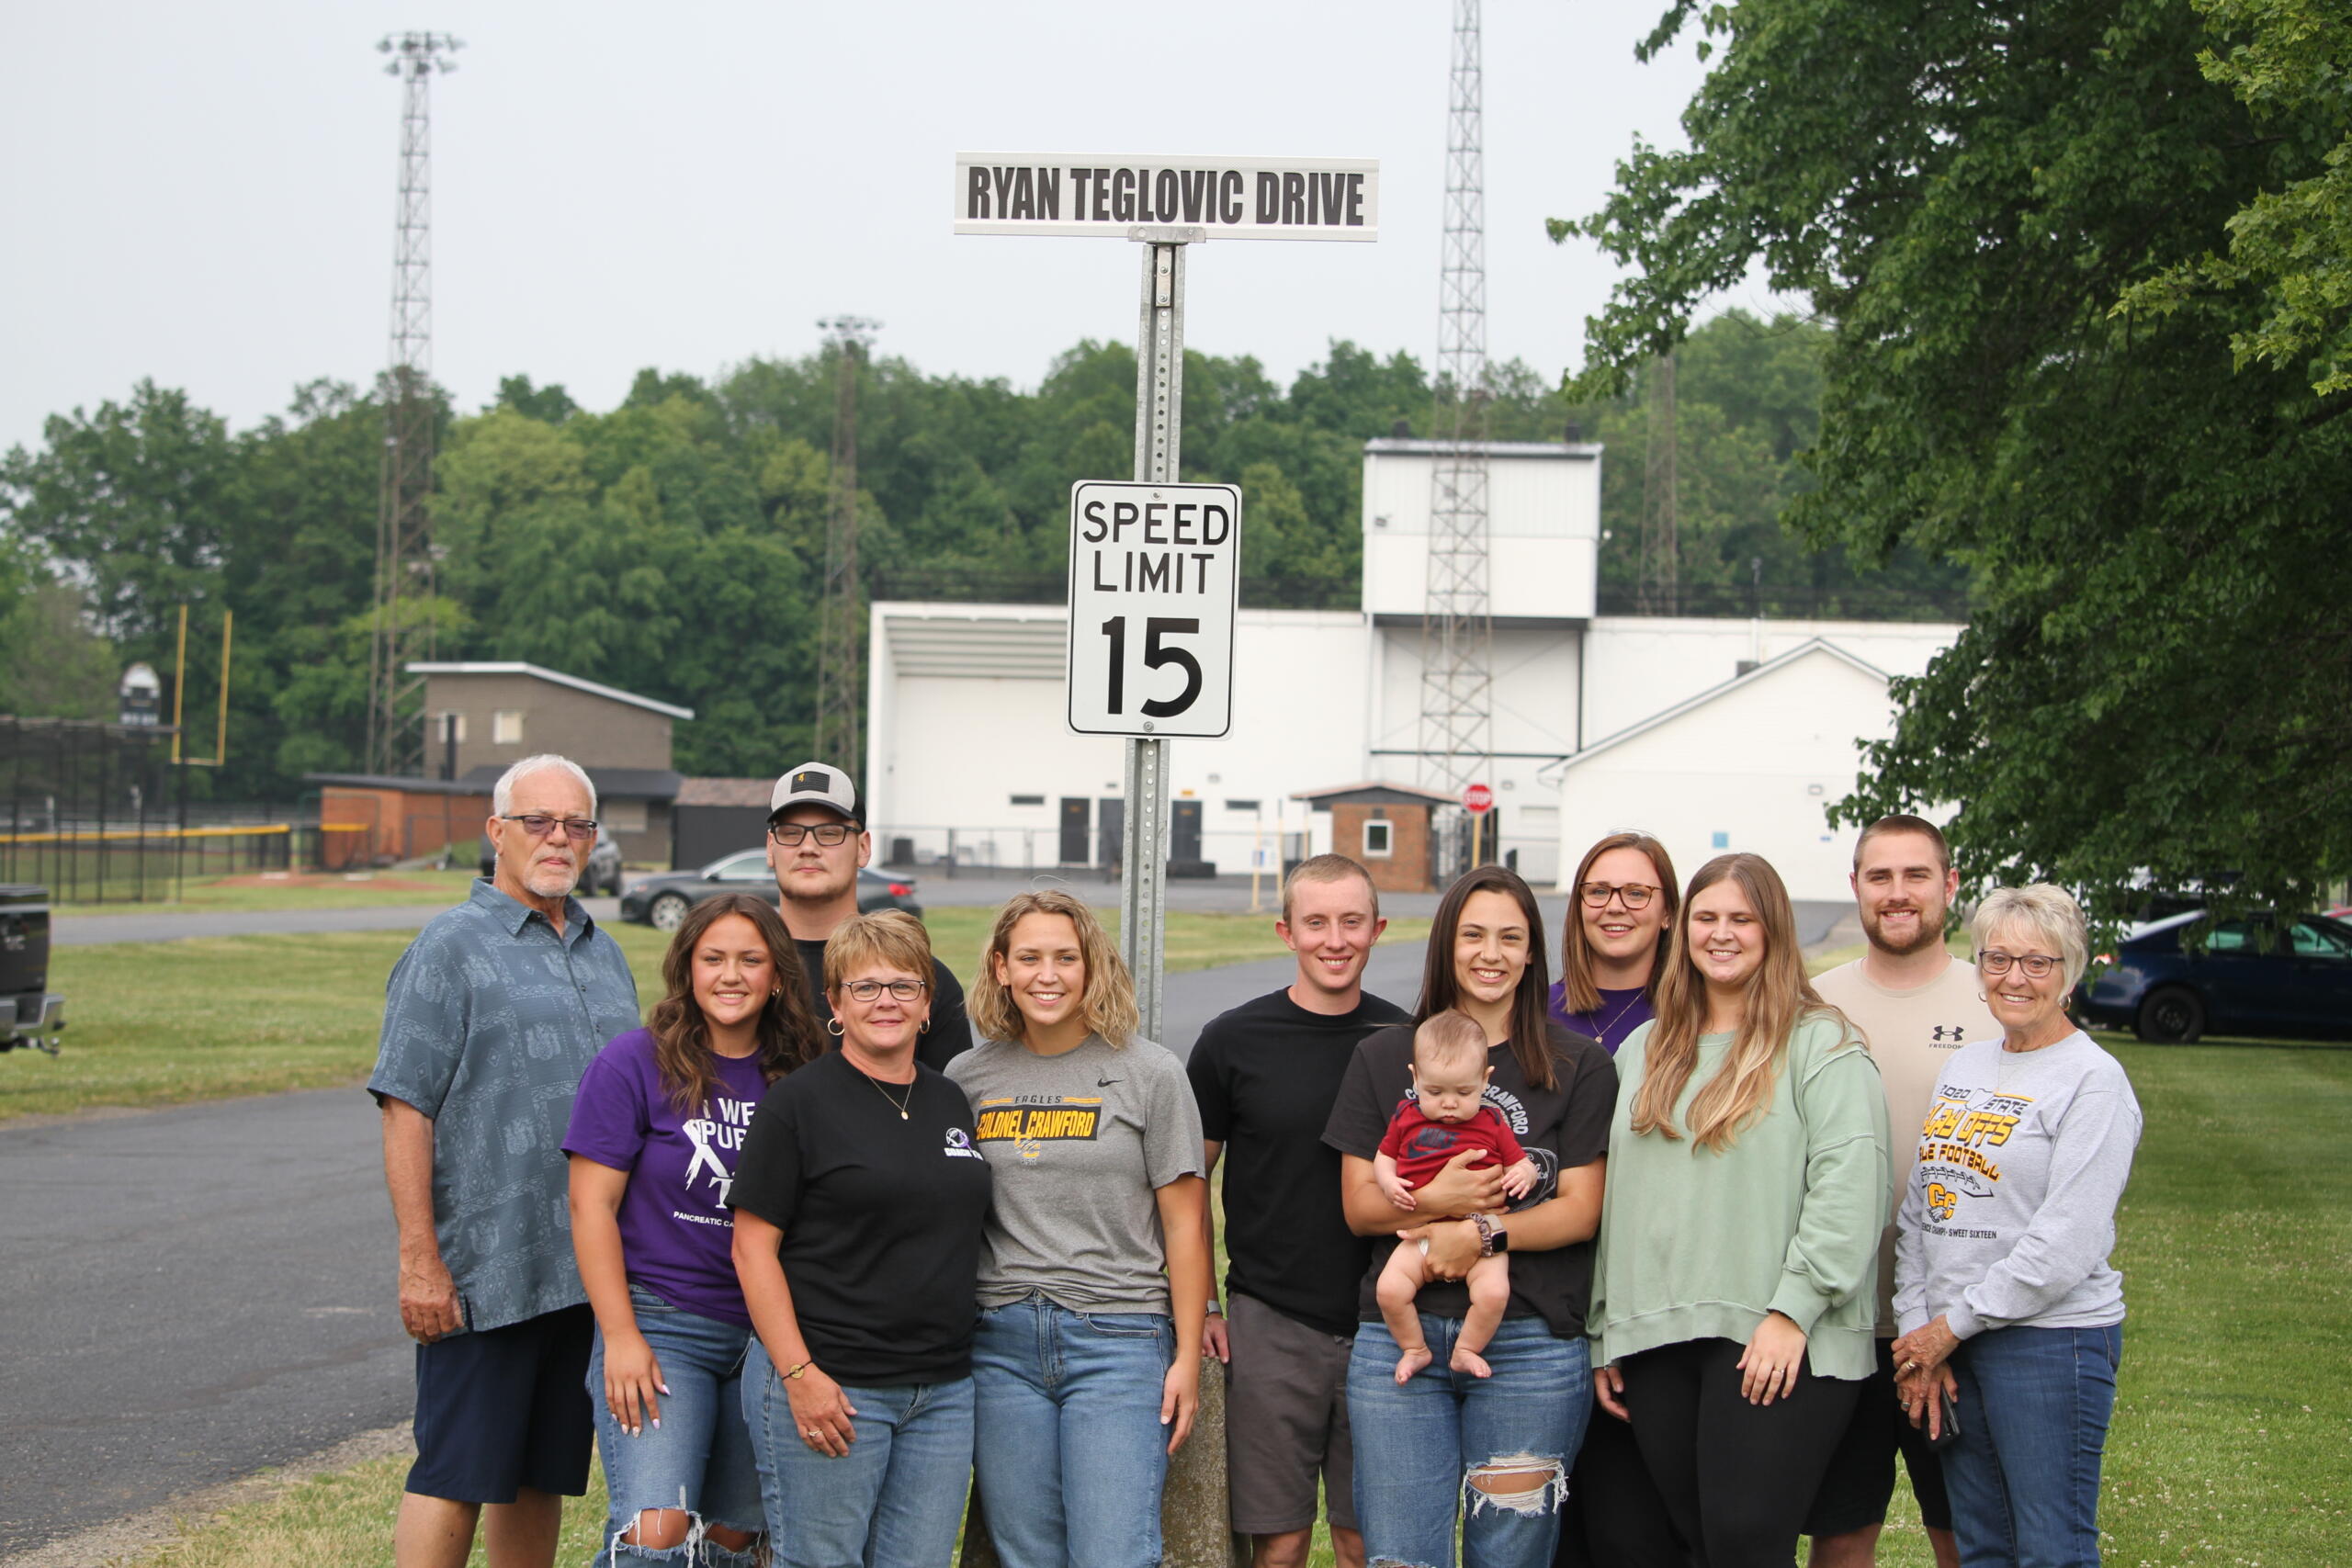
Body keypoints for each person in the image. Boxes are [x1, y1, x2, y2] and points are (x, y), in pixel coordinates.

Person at [369, 754, 642, 1568]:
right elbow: (404, 1104)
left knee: (541, 1475)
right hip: (485, 1271)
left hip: (583, 1272)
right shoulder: (448, 947)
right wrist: (421, 1259)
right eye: (538, 821)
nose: (558, 838)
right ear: (497, 832)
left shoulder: (604, 952)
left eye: (576, 824)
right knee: (456, 1467)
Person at [1589, 852, 1890, 1568]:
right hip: (1658, 1332)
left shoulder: (1824, 1044)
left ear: (1773, 930)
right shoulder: (1645, 1048)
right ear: (1683, 929)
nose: (1721, 933)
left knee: (1745, 1544)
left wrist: (1793, 1312)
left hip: (1778, 1336)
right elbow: (1618, 1198)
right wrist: (1607, 1325)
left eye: (1741, 918)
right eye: (1707, 917)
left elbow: (1852, 1186)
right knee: (1698, 1543)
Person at [1324, 864, 1616, 1568]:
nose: (1491, 953)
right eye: (1474, 934)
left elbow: (1580, 1210)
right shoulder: (1384, 1054)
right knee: (1400, 1556)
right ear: (1446, 944)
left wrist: (1480, 1231)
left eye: (1510, 937)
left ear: (1531, 951)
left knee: (1510, 1557)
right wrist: (1444, 1203)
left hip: (1530, 1346)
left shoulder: (1578, 1064)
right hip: (1401, 1342)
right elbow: (1362, 1205)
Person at [947, 889, 1209, 1568]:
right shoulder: (968, 1078)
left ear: (1092, 966)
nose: (1048, 974)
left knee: (1114, 1551)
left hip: (1118, 1338)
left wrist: (1185, 1356)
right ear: (1001, 967)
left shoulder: (1150, 1072)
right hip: (1000, 1341)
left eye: (1066, 957)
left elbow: (1186, 1222)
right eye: (1029, 957)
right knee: (1027, 1553)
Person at [729, 910, 995, 1568]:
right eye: (866, 986)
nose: (886, 1001)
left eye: (904, 985)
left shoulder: (952, 1100)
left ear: (928, 1004)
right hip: (834, 1381)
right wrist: (799, 1373)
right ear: (836, 1003)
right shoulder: (798, 1103)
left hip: (941, 1390)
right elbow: (751, 1247)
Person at [564, 894, 820, 1567]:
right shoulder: (633, 1063)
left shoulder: (802, 1075)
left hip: (768, 1336)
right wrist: (620, 1336)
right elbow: (590, 1207)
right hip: (661, 1323)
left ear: (777, 976)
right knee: (657, 1528)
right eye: (713, 958)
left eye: (750, 959)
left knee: (738, 1538)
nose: (730, 974)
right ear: (687, 967)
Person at [1892, 885, 2142, 1568]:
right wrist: (1922, 1333)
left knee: (2050, 1548)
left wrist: (1947, 1328)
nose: (2015, 978)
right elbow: (1922, 1208)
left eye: (2038, 962)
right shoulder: (1965, 1065)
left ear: (2069, 971)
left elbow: (2066, 1242)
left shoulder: (2094, 1079)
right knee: (1983, 1547)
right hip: (1954, 1342)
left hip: (2047, 1344)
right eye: (1998, 959)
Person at [1187, 853, 1407, 1568]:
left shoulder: (1411, 1043)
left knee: (1365, 1537)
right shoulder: (1232, 1040)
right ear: (1287, 931)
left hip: (1385, 1321)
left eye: (1351, 921)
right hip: (1270, 1320)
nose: (1334, 939)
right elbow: (1186, 1189)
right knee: (1277, 1540)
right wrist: (1206, 1305)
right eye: (1316, 922)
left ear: (1378, 928)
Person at [1804, 818, 2001, 1568]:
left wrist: (1961, 1320)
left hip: (1961, 1325)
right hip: (1842, 1320)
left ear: (1949, 886)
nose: (1897, 893)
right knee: (1842, 1532)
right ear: (1855, 886)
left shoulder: (1996, 1002)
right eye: (1879, 876)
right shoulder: (1812, 1004)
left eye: (1916, 874)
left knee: (1967, 1532)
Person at [763, 761, 972, 1070]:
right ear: (771, 848)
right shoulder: (742, 972)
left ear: (863, 847)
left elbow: (950, 1104)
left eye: (829, 833)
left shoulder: (917, 977)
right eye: (791, 833)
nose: (808, 847)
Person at [1372, 1010, 1542, 1382]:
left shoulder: (1493, 1123)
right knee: (1389, 1289)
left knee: (1494, 1293)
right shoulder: (1406, 1116)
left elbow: (1522, 1161)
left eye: (1464, 1092)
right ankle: (1414, 1348)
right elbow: (1383, 1156)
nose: (1449, 1103)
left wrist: (1523, 1173)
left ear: (1485, 1080)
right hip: (1422, 1231)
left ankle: (1466, 1349)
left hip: (1480, 1232)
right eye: (1434, 1092)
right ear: (1415, 1078)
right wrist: (1388, 1182)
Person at [1550, 829, 1680, 1055]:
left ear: (1667, 912)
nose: (1615, 907)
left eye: (1636, 893)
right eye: (1599, 891)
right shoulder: (1533, 1011)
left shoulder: (1691, 1015)